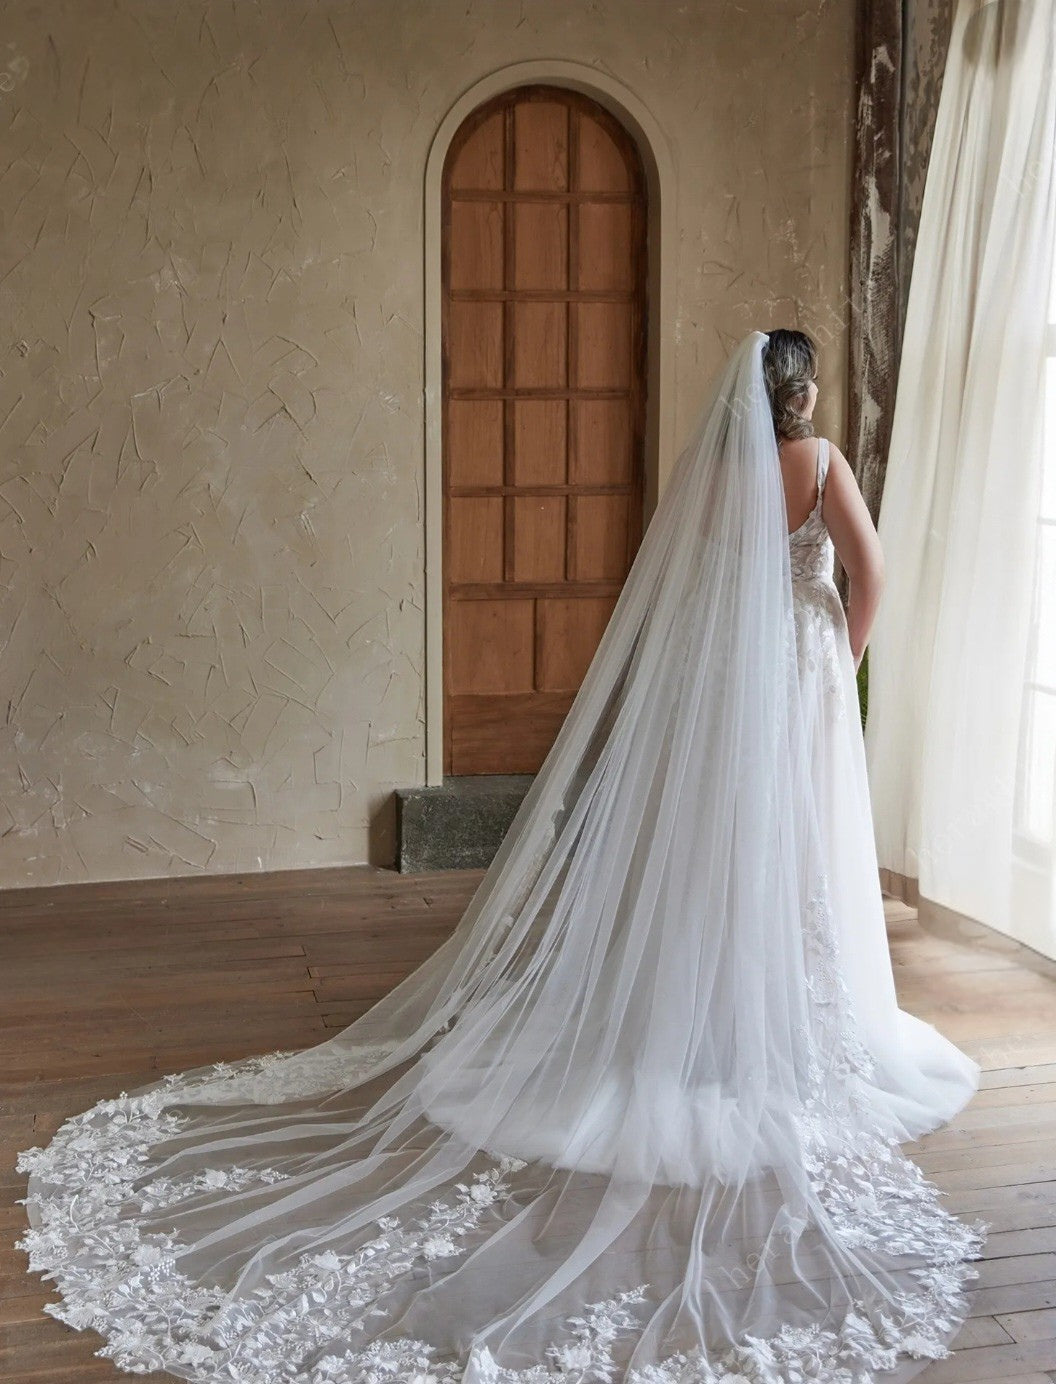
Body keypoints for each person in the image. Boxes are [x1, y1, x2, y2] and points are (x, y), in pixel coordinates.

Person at [18, 329, 985, 1384]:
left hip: (726, 690)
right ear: (801, 392)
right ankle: (793, 1014)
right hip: (797, 666)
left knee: (720, 847)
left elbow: (692, 600)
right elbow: (870, 572)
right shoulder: (823, 462)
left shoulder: (718, 471)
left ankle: (693, 1008)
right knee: (801, 846)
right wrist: (835, 661)